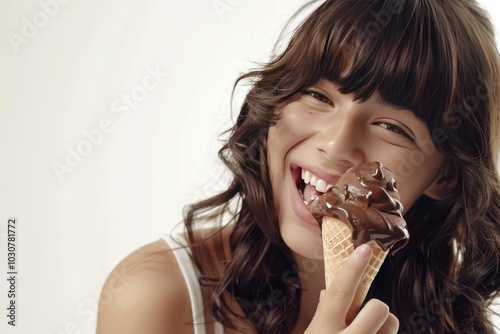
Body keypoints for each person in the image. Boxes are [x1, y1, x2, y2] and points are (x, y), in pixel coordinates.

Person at [96, 0, 500, 333]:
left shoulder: (448, 318)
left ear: (445, 175)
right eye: (317, 95)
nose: (337, 143)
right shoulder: (153, 294)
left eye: (392, 126)